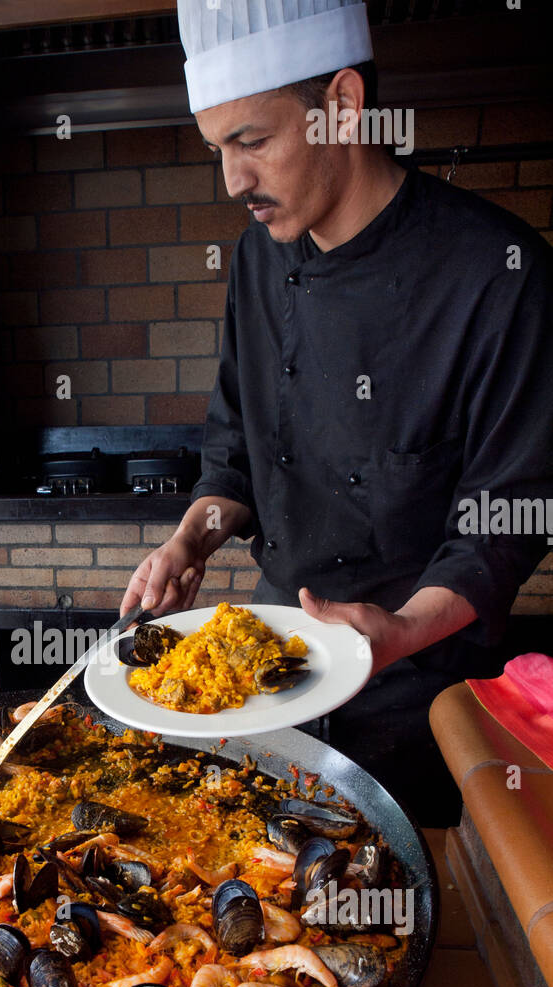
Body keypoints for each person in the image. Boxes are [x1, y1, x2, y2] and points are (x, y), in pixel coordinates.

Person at [121, 0, 553, 826]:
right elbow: (233, 450)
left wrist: (395, 630)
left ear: (344, 106)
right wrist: (191, 538)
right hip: (267, 682)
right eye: (216, 149)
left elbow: (506, 520)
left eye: (251, 141)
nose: (232, 182)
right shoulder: (257, 258)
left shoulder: (497, 272)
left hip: (425, 701)